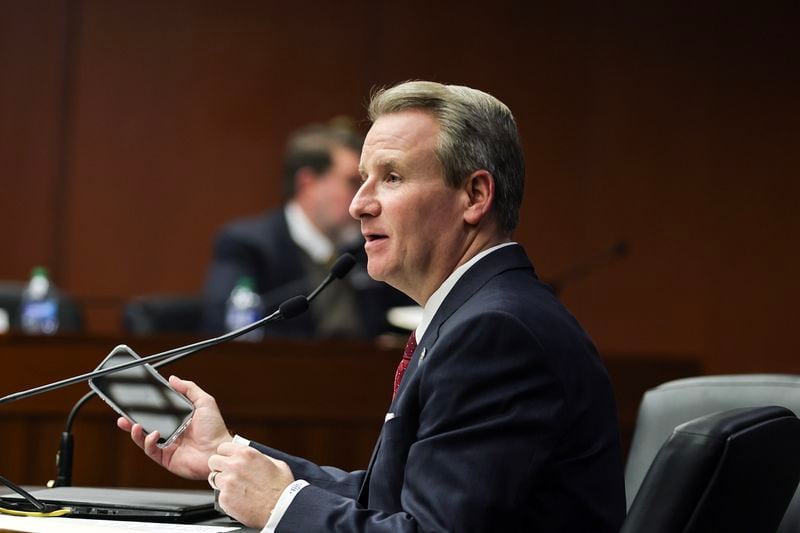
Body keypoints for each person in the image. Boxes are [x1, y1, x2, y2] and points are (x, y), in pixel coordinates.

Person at [120, 81, 626, 531]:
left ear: (475, 196)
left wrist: (280, 508)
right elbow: (387, 498)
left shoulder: (496, 331)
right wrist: (224, 454)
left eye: (392, 177)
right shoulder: (475, 313)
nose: (359, 203)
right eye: (361, 177)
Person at [202, 120, 408, 339]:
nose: (362, 197)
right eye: (353, 182)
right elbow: (226, 329)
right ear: (307, 183)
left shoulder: (364, 246)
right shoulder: (248, 245)